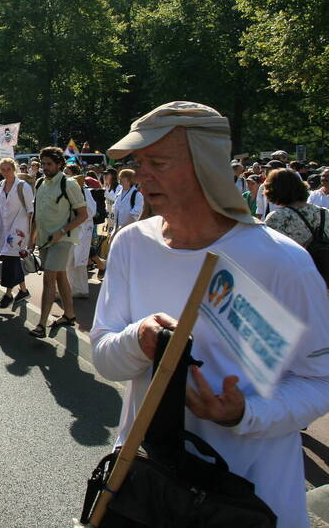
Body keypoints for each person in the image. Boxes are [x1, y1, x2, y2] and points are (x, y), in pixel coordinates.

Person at [91, 101, 329, 526]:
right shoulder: (130, 244)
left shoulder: (281, 262)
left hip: (248, 498)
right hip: (148, 487)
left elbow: (319, 380)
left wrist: (243, 414)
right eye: (139, 162)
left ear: (206, 165)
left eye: (158, 162)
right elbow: (105, 357)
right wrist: (138, 339)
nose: (141, 175)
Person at [28, 146, 88, 338]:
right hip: (45, 240)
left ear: (60, 164)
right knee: (60, 275)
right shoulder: (39, 183)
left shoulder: (69, 184)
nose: (45, 167)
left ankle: (41, 325)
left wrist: (62, 232)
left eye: (49, 164)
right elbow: (36, 214)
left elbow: (82, 215)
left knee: (48, 279)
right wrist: (32, 238)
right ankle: (69, 315)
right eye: (43, 163)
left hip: (62, 240)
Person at [0, 157, 34, 309]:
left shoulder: (23, 186)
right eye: (3, 169)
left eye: (8, 169)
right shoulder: (1, 185)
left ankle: (8, 294)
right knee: (13, 259)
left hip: (19, 230)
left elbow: (31, 212)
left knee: (9, 260)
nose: (6, 172)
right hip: (5, 228)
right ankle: (23, 290)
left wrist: (32, 237)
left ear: (14, 169)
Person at [264, 167, 329, 250]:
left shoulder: (276, 218)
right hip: (320, 262)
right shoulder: (324, 213)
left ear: (273, 191)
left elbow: (267, 249)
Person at [111, 168, 143, 236]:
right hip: (117, 231)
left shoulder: (137, 195)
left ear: (129, 179)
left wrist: (122, 228)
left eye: (122, 176)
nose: (119, 178)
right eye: (119, 176)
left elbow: (135, 216)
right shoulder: (118, 193)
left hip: (131, 233)